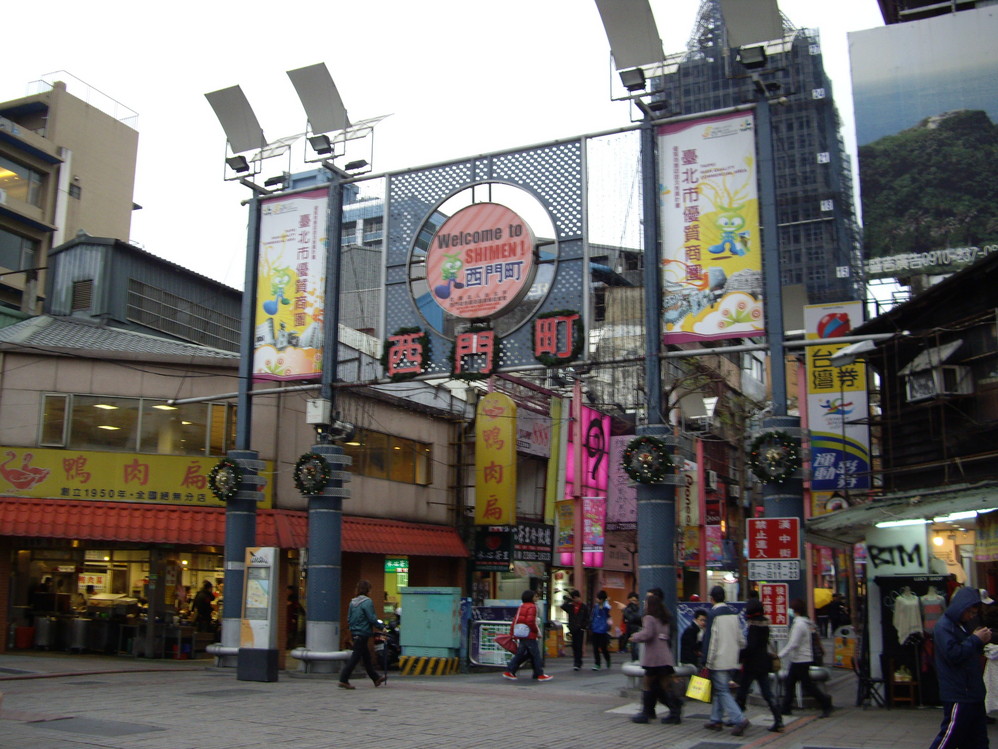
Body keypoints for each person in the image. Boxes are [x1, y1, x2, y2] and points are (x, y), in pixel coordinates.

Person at [929, 586, 992, 748]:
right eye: (970, 612)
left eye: (974, 613)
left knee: (978, 740)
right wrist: (975, 640)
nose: (971, 616)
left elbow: (968, 651)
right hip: (959, 693)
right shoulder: (944, 626)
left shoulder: (963, 625)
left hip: (973, 693)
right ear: (961, 607)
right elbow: (953, 654)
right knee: (950, 736)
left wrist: (980, 641)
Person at [701, 586, 750, 736]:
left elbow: (712, 640)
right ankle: (716, 719)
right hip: (732, 659)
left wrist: (707, 662)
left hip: (718, 660)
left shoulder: (713, 615)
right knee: (720, 689)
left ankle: (739, 719)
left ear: (712, 599)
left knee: (722, 690)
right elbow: (741, 640)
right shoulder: (734, 615)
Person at [629, 592, 683, 724]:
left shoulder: (649, 618)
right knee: (665, 685)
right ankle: (675, 711)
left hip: (654, 658)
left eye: (646, 603)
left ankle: (646, 713)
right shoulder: (664, 618)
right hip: (665, 656)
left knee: (647, 683)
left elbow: (647, 634)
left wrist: (635, 637)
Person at [778, 598, 833, 719]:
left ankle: (825, 703)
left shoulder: (799, 625)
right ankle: (786, 708)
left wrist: (780, 654)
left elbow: (793, 643)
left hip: (801, 659)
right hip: (801, 658)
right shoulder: (804, 623)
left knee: (806, 685)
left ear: (794, 610)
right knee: (791, 683)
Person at [736, 598, 783, 733]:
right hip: (763, 663)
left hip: (751, 664)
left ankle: (738, 719)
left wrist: (740, 655)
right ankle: (778, 720)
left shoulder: (754, 626)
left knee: (742, 692)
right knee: (767, 693)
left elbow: (751, 647)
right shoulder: (765, 624)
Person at [338, 579, 387, 689]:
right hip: (363, 632)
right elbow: (371, 618)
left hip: (355, 632)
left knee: (366, 657)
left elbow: (349, 618)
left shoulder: (352, 602)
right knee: (355, 657)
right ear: (368, 590)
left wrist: (353, 629)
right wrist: (381, 627)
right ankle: (343, 679)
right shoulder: (367, 602)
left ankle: (376, 678)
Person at [502, 590, 553, 682]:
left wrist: (512, 632)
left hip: (521, 633)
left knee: (522, 653)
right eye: (535, 596)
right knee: (535, 654)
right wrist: (536, 631)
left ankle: (511, 671)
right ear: (531, 597)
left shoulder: (522, 606)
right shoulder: (532, 607)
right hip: (529, 634)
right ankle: (539, 674)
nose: (537, 598)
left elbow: (515, 619)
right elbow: (530, 621)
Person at [561, 589, 589, 671]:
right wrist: (568, 600)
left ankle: (578, 663)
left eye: (575, 598)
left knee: (579, 646)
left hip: (580, 629)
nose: (575, 600)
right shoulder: (571, 606)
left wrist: (583, 627)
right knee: (574, 646)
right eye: (573, 598)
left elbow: (587, 618)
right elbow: (563, 606)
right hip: (573, 628)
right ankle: (576, 661)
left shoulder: (584, 607)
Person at [590, 590, 612, 671]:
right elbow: (593, 616)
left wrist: (605, 602)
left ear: (602, 599)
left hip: (603, 630)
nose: (596, 600)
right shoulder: (595, 607)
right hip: (595, 629)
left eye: (598, 598)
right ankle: (597, 663)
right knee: (595, 648)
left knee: (603, 648)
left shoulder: (606, 607)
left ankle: (607, 659)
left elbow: (608, 609)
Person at [619, 592, 642, 661]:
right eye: (631, 600)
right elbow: (625, 620)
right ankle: (635, 660)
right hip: (631, 629)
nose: (633, 602)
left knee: (635, 648)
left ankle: (635, 661)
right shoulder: (629, 608)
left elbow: (632, 618)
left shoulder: (630, 609)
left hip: (636, 630)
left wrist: (625, 609)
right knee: (634, 648)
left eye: (635, 600)